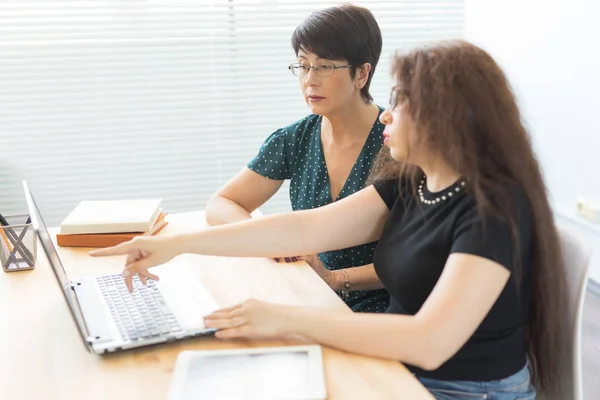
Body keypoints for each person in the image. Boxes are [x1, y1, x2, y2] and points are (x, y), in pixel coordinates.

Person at [91, 39, 566, 399]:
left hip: (460, 388)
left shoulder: (495, 210)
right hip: (400, 368)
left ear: (447, 117)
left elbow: (430, 342)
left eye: (401, 105)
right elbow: (304, 227)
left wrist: (285, 319)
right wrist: (177, 244)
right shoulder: (412, 179)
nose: (386, 117)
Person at [203, 4, 390, 313]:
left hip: (381, 307)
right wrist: (273, 241)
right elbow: (220, 205)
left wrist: (334, 278)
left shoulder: (397, 141)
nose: (309, 80)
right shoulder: (295, 138)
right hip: (312, 295)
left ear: (361, 74)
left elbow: (419, 260)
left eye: (325, 67)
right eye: (303, 66)